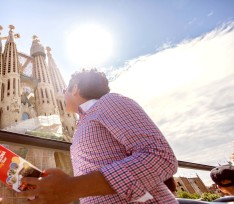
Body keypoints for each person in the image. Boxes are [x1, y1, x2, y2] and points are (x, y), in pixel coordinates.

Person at [20, 69, 178, 203]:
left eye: (64, 91)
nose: (61, 95)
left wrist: (72, 187)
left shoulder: (109, 102)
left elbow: (159, 155)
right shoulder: (84, 122)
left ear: (75, 89)